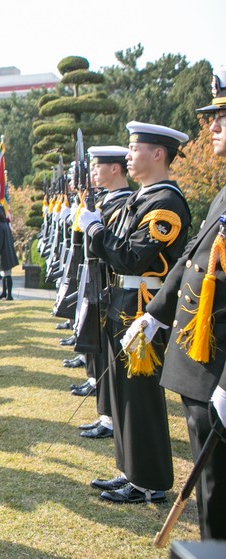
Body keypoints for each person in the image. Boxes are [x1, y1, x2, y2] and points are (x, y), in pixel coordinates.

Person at [127, 73, 226, 536]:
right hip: (201, 359)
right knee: (211, 487)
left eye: (223, 118)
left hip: (218, 363)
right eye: (214, 117)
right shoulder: (224, 193)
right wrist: (155, 314)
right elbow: (194, 262)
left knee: (218, 489)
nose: (213, 127)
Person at [78, 121, 192, 505]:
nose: (128, 156)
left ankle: (151, 481)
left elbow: (130, 255)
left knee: (140, 396)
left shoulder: (166, 203)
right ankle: (130, 471)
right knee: (123, 392)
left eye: (135, 148)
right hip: (123, 303)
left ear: (158, 154)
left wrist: (95, 231)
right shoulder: (141, 199)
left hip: (145, 308)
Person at [71, 145, 133, 438]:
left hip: (112, 285)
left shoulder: (123, 203)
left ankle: (109, 417)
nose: (94, 171)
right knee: (99, 346)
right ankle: (105, 413)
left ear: (114, 168)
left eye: (99, 166)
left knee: (111, 357)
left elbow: (114, 249)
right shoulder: (108, 201)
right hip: (99, 281)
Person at [0, 205, 18, 300]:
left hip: (3, 253)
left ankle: (9, 295)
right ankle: (4, 293)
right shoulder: (4, 224)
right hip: (7, 252)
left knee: (6, 274)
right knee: (4, 274)